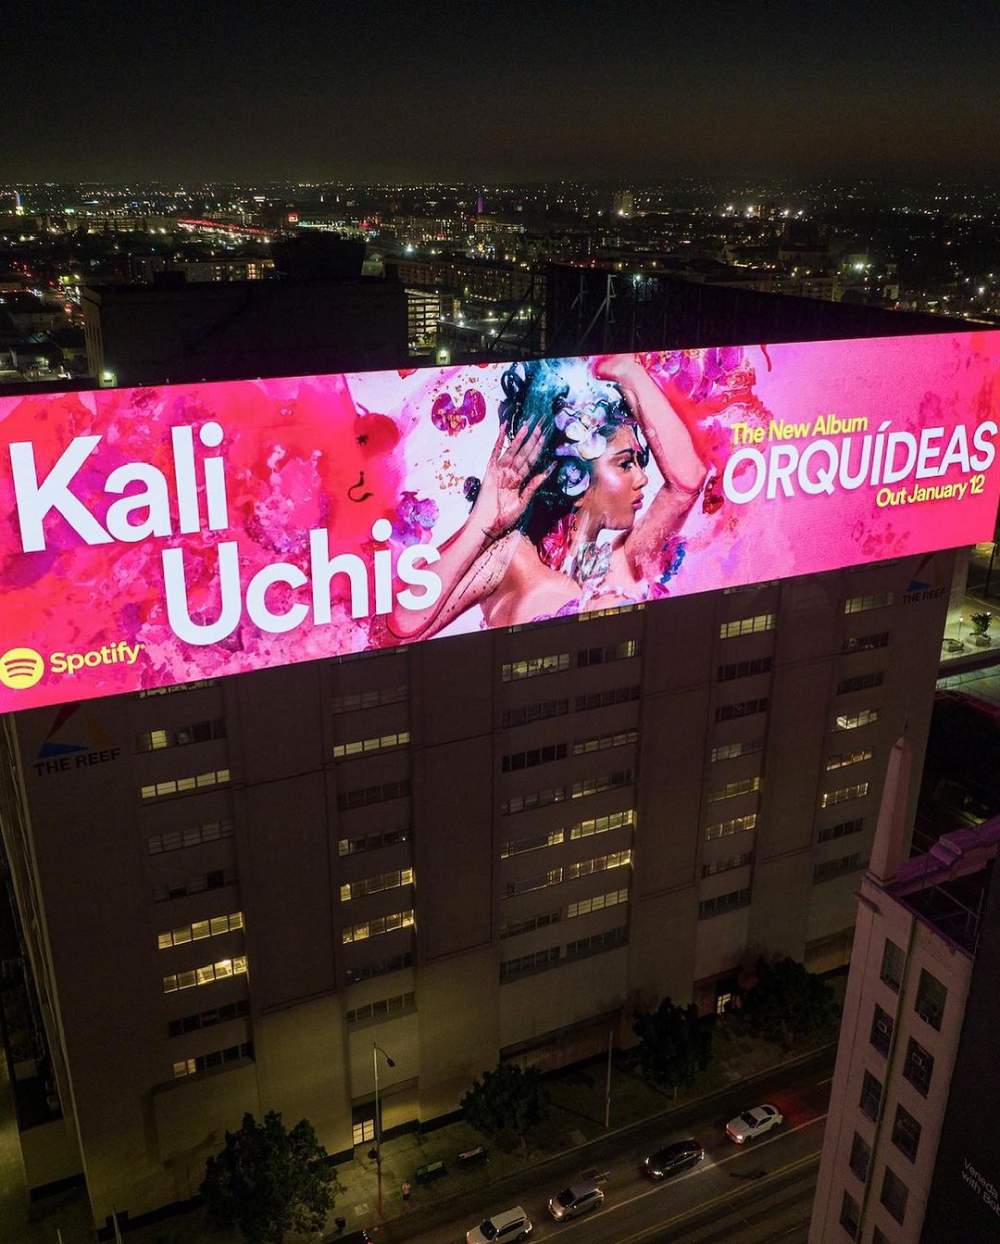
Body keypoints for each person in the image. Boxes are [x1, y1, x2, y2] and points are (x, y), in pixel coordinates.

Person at [389, 355, 706, 639]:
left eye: (638, 461)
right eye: (625, 464)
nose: (643, 477)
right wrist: (481, 524)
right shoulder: (513, 555)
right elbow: (403, 624)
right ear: (574, 478)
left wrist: (628, 371)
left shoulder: (618, 560)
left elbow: (687, 483)